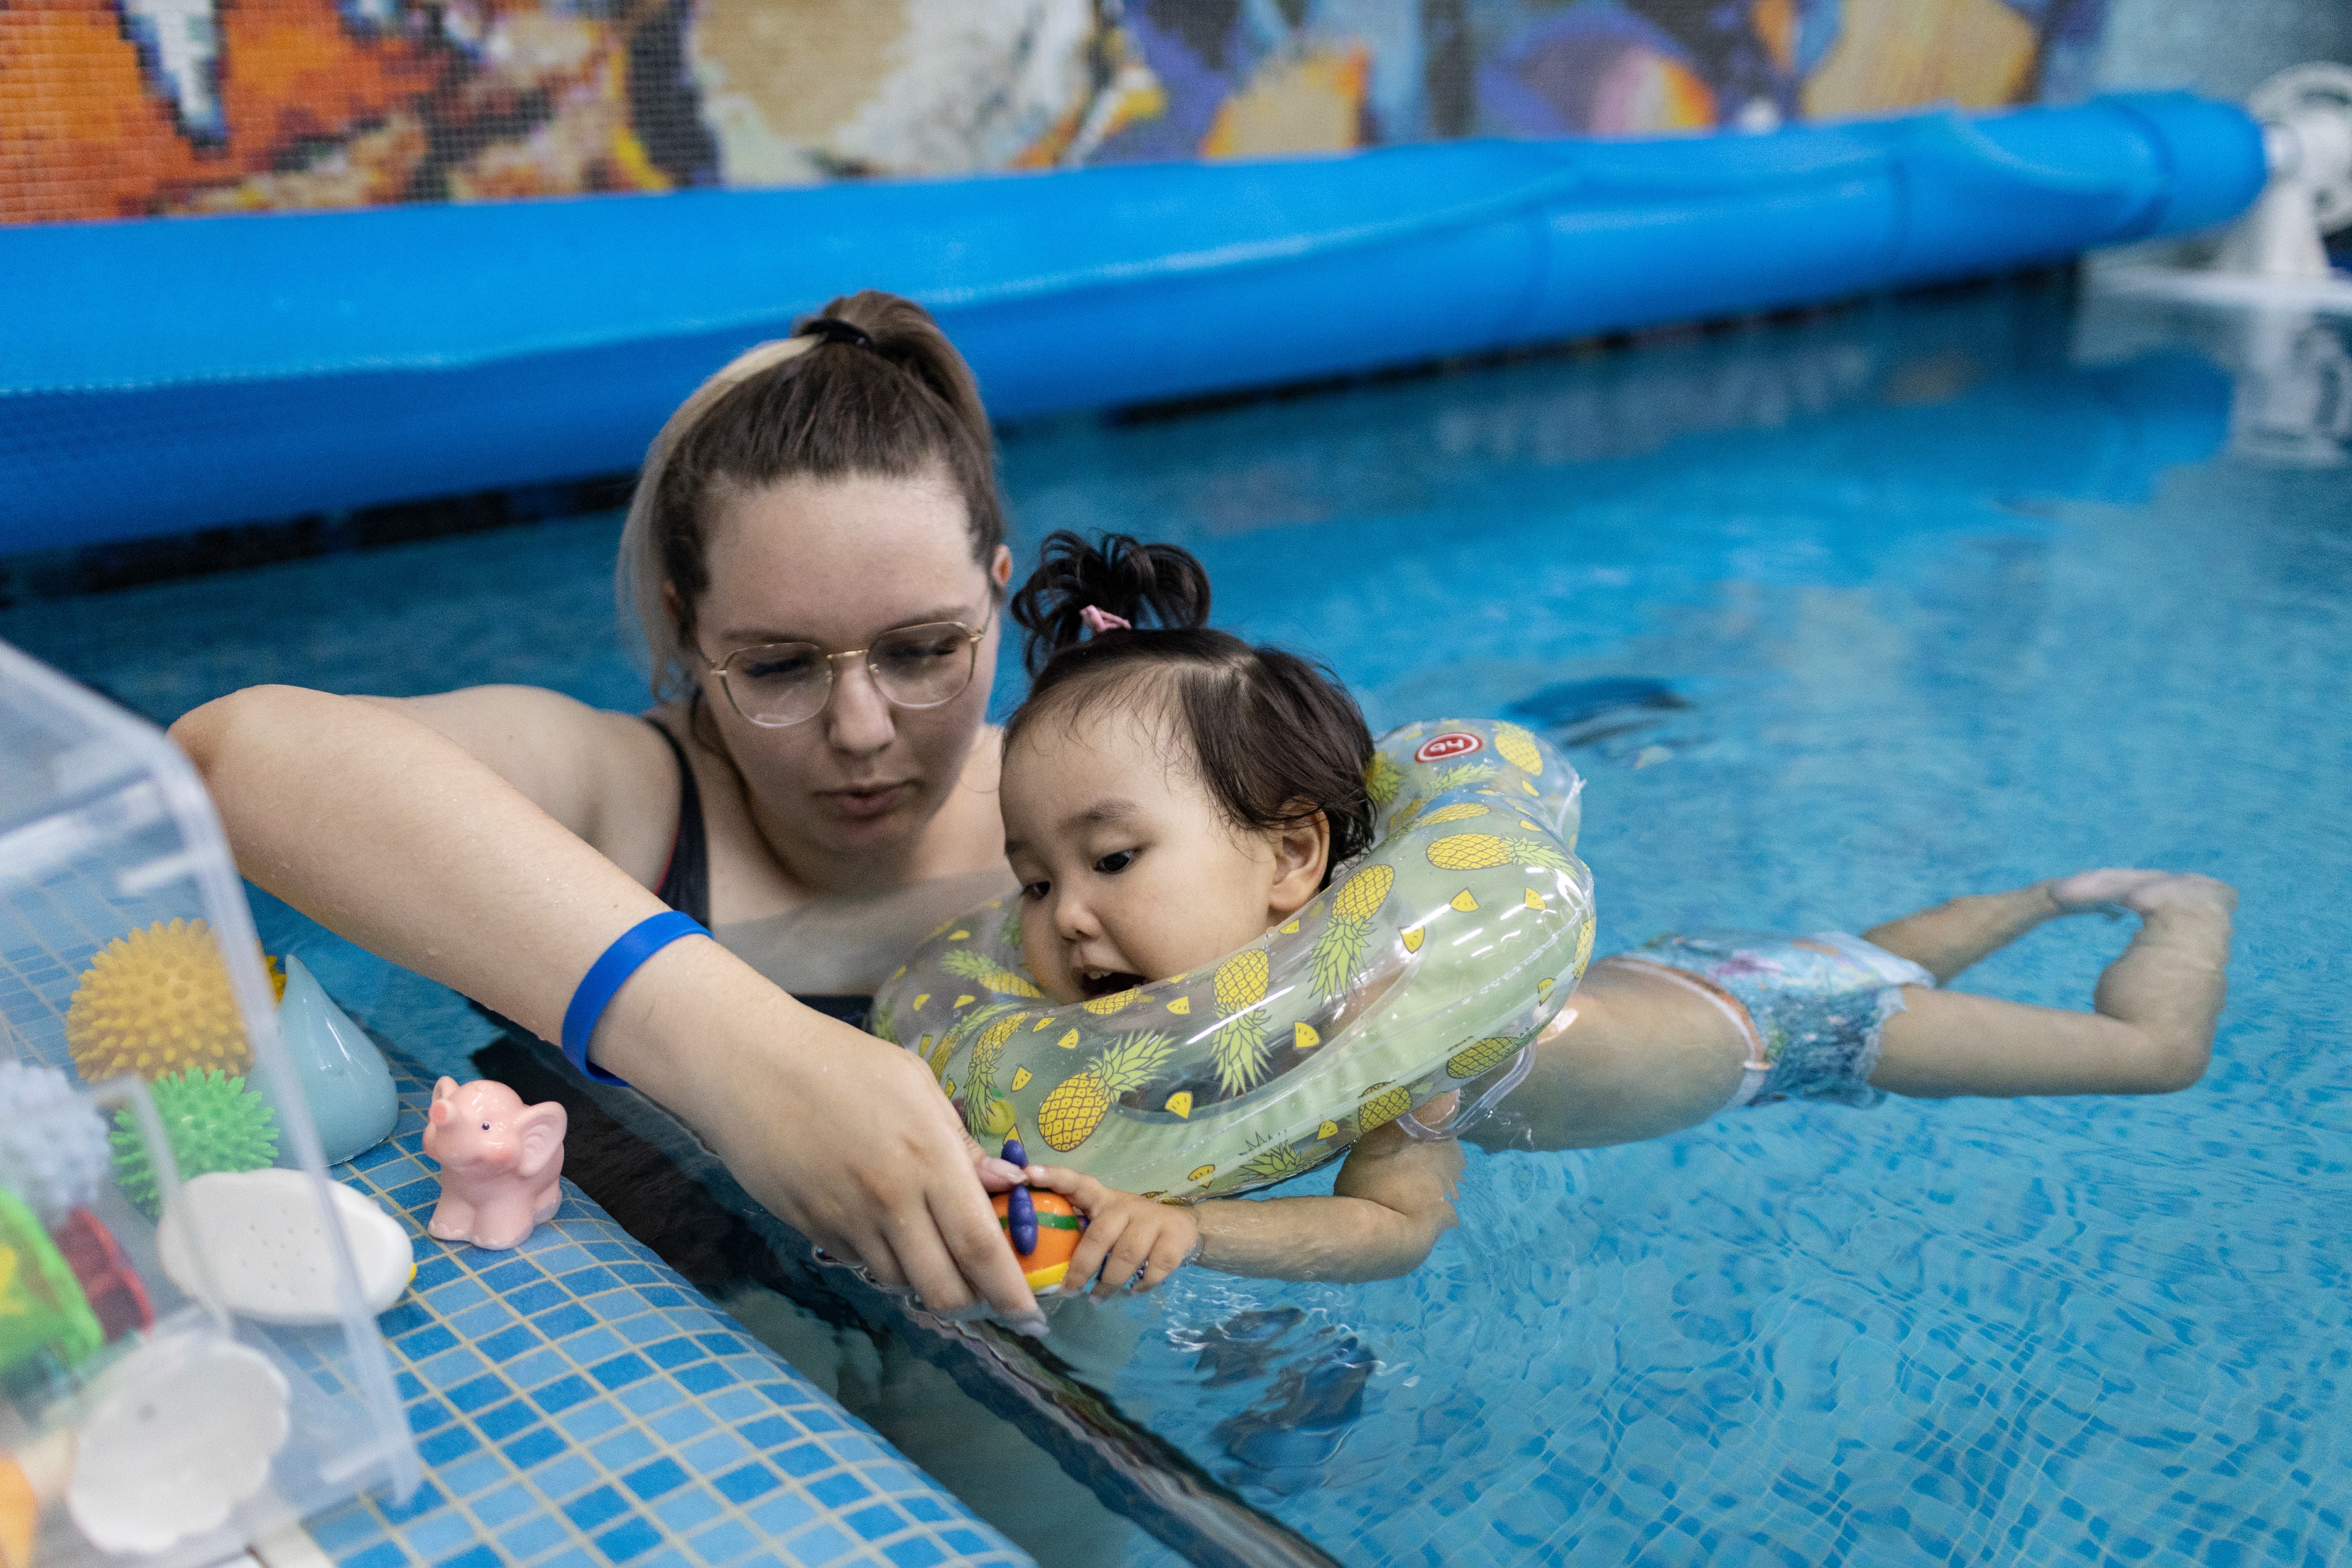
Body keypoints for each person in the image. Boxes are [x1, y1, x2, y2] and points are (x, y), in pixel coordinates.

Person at [979, 532, 2237, 1294]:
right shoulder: (1252, 1023)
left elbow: (1391, 1227)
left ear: (1293, 854)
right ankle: (2056, 895)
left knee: (2147, 1056)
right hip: (1688, 977)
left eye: (1115, 858)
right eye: (1036, 879)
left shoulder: (1396, 1029)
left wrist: (1190, 1231)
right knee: (1876, 953)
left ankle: (2182, 911)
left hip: (1782, 1033)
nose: (1067, 918)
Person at [171, 292, 1045, 1329]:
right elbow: (233, 758)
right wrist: (750, 1056)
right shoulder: (632, 801)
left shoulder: (1096, 836)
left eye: (922, 651)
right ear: (685, 628)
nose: (860, 729)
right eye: (775, 665)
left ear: (999, 595)